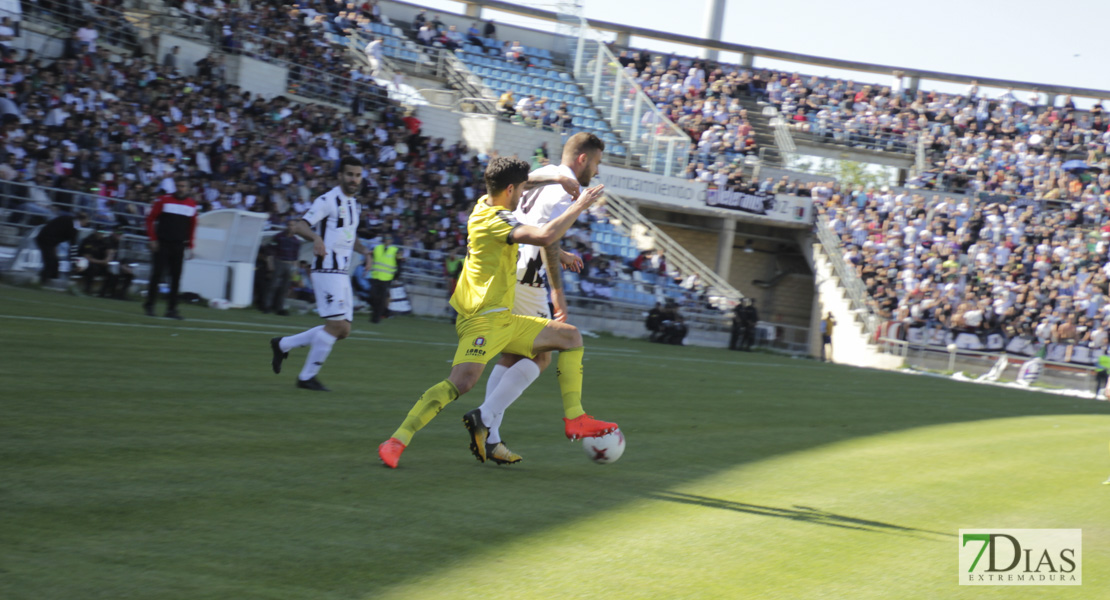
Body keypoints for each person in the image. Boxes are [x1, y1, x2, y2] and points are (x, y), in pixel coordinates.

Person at [377, 157, 616, 469]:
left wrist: (553, 183)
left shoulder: (486, 204)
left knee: (569, 337)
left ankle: (575, 418)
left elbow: (531, 222)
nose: (522, 197)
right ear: (510, 189)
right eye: (520, 191)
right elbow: (542, 236)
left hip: (505, 318)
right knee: (461, 383)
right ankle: (397, 440)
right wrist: (580, 203)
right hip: (482, 319)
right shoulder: (496, 221)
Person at [464, 132, 605, 463]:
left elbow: (533, 223)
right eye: (597, 163)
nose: (596, 172)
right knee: (543, 354)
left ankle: (492, 437)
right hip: (528, 277)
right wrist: (558, 292)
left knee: (513, 357)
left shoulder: (548, 174)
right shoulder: (568, 187)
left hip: (512, 270)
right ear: (583, 158)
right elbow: (548, 238)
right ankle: (484, 419)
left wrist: (563, 251)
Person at [270, 156, 371, 392]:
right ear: (340, 176)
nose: (354, 179)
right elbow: (299, 225)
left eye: (357, 175)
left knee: (343, 330)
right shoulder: (327, 200)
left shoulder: (354, 204)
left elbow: (348, 235)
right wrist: (316, 237)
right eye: (349, 174)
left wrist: (365, 251)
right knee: (336, 326)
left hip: (342, 272)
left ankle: (283, 344)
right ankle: (306, 377)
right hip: (326, 269)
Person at [144, 180, 197, 320]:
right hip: (162, 243)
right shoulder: (164, 200)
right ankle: (150, 305)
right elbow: (150, 219)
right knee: (157, 275)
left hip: (179, 245)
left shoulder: (191, 204)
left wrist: (190, 246)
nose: (181, 188)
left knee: (176, 278)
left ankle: (172, 309)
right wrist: (153, 239)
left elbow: (192, 227)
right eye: (179, 185)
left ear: (188, 188)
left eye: (183, 185)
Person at [35, 212, 88, 285]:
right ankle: (43, 282)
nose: (85, 224)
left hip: (47, 240)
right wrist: (75, 264)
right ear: (81, 220)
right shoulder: (73, 226)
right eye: (85, 222)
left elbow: (55, 230)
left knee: (54, 262)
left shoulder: (68, 219)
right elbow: (73, 247)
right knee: (51, 262)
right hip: (45, 240)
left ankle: (50, 281)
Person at [265, 218, 302, 315]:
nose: (291, 227)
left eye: (293, 225)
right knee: (273, 286)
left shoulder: (296, 241)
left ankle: (279, 308)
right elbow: (270, 251)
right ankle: (267, 306)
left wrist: (296, 270)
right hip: (279, 262)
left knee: (285, 288)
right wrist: (270, 264)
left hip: (289, 264)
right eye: (289, 225)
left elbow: (295, 257)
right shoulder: (278, 236)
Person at [367, 235, 401, 323]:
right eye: (386, 239)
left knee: (382, 299)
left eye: (389, 239)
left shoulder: (395, 250)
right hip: (376, 276)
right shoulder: (377, 248)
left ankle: (376, 318)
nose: (387, 241)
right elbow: (370, 257)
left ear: (391, 240)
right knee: (373, 297)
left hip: (387, 278)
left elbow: (399, 264)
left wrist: (397, 276)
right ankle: (384, 312)